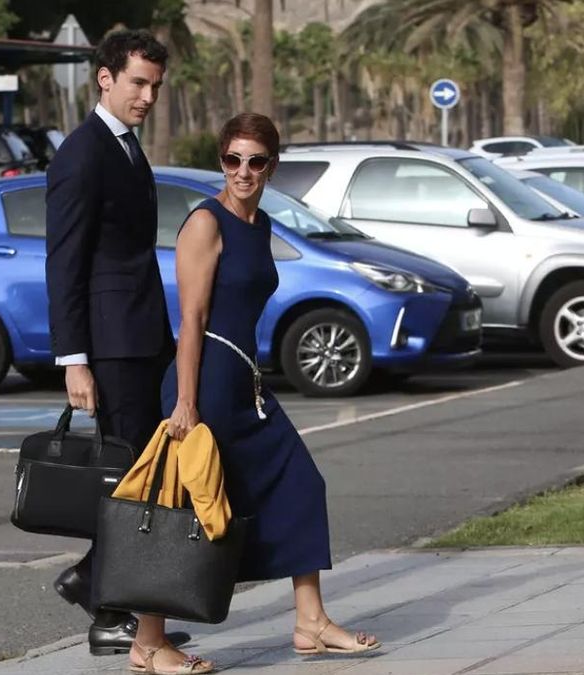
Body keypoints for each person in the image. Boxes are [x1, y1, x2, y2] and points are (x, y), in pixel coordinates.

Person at [162, 113, 380, 662]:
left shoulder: (259, 225)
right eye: (232, 159)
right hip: (207, 382)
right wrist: (185, 402)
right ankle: (147, 640)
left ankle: (311, 622)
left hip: (246, 383)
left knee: (300, 484)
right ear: (221, 162)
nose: (243, 171)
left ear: (272, 166)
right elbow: (191, 320)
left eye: (255, 161)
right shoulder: (205, 223)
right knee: (184, 508)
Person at [43, 29, 195, 669]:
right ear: (105, 78)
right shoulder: (82, 154)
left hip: (141, 336)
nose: (148, 96)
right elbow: (65, 262)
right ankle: (107, 609)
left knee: (147, 473)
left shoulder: (125, 146)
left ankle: (101, 588)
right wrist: (74, 359)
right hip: (111, 346)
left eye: (155, 86)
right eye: (138, 83)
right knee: (132, 476)